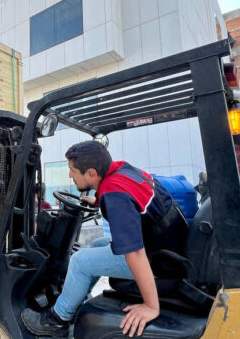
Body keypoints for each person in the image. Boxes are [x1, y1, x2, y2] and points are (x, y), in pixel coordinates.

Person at [21, 141, 188, 338]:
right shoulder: (123, 171)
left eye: (72, 170)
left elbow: (134, 252)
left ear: (91, 173)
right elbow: (128, 196)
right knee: (96, 245)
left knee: (79, 261)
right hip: (167, 245)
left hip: (160, 261)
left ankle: (57, 320)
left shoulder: (114, 194)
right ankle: (77, 298)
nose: (70, 175)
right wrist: (98, 200)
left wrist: (151, 306)